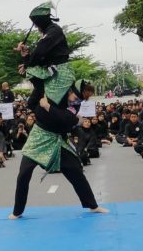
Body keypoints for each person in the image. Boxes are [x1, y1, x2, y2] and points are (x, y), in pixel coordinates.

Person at [9, 84, 109, 220]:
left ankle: (92, 205)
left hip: (57, 138)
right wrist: (37, 83)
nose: (78, 98)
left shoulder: (75, 103)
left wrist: (47, 107)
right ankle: (17, 211)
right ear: (70, 90)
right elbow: (32, 104)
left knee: (75, 170)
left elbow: (66, 119)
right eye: (78, 94)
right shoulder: (52, 92)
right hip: (38, 137)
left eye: (82, 96)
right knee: (24, 174)